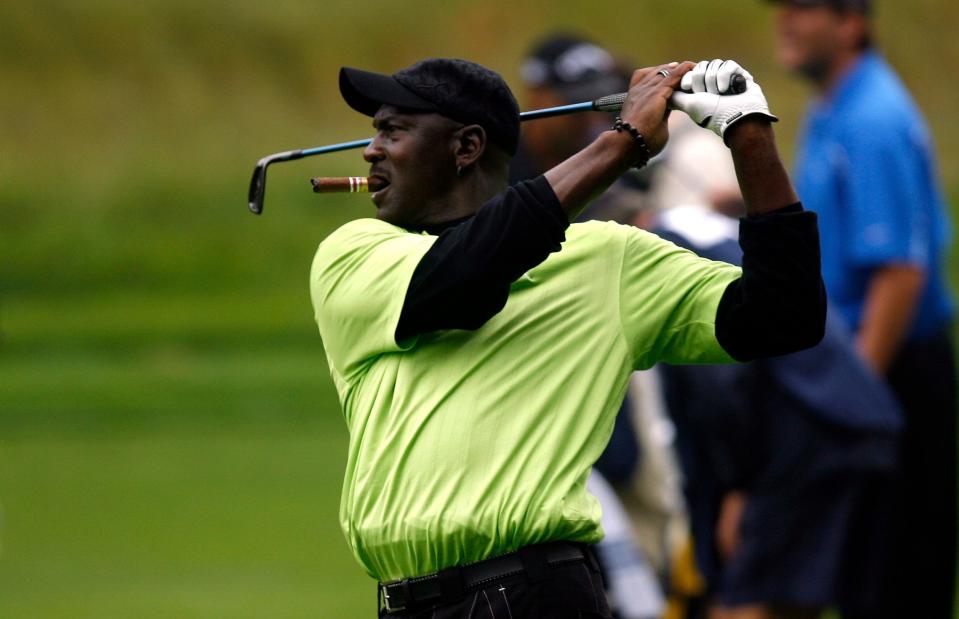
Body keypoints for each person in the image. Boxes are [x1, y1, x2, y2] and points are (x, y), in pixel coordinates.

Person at [311, 56, 824, 617]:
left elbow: (784, 316)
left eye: (393, 130)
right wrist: (622, 144)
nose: (371, 150)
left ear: (466, 148)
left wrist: (748, 133)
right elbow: (463, 281)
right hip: (403, 602)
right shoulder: (355, 254)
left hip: (534, 593)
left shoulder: (607, 259)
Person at [647, 126, 902, 619]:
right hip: (862, 422)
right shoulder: (727, 234)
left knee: (747, 596)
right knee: (795, 600)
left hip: (805, 433)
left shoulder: (669, 249)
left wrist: (740, 485)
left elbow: (721, 386)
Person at [771, 1, 957, 616]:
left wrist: (850, 400)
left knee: (893, 583)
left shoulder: (871, 118)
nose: (785, 23)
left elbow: (900, 273)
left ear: (851, 22)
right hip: (869, 366)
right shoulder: (837, 103)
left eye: (802, 9)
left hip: (890, 368)